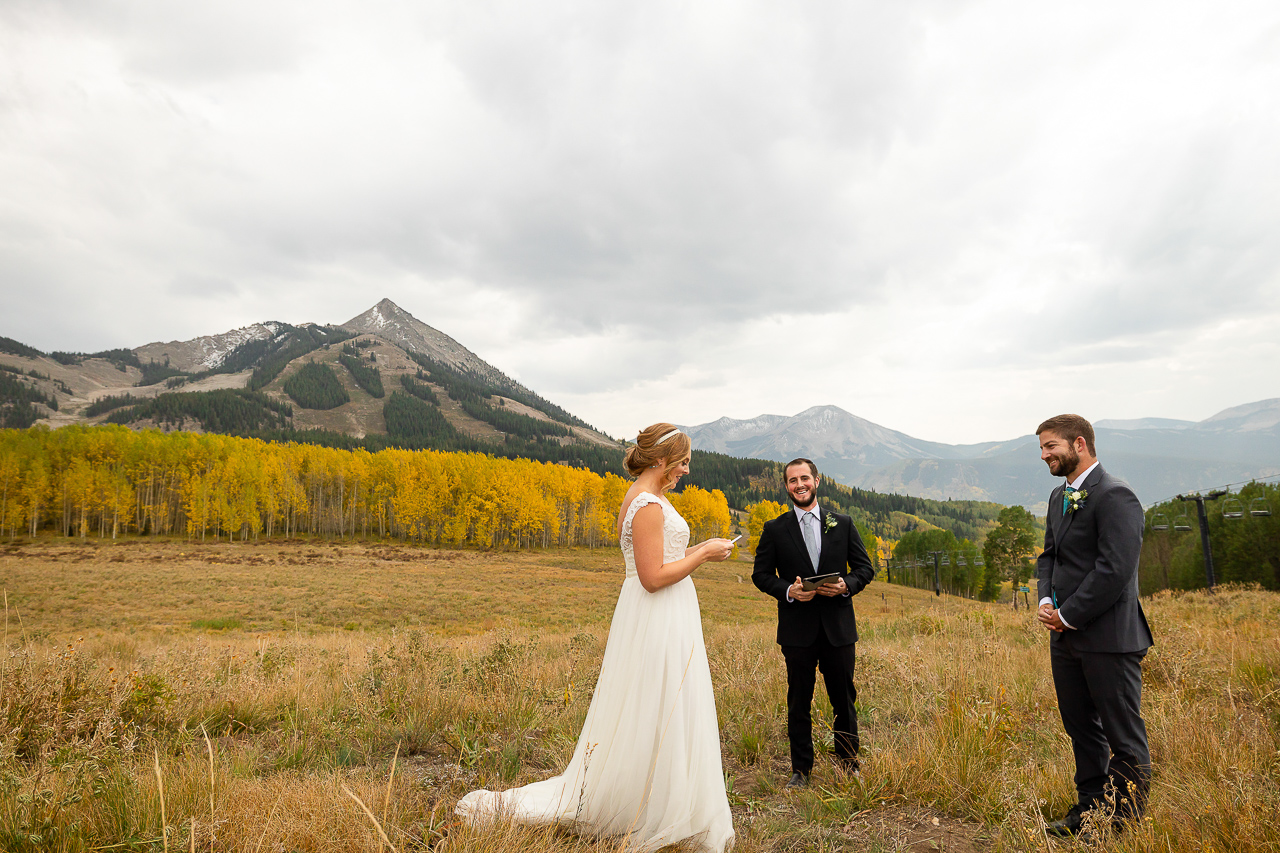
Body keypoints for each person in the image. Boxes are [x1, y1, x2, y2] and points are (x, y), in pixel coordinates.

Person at [455, 423, 737, 852]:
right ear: (660, 462)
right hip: (656, 614)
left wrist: (695, 550)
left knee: (663, 704)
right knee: (654, 702)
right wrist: (703, 551)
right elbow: (652, 577)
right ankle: (646, 806)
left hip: (668, 615)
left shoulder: (651, 499)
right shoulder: (645, 504)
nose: (686, 470)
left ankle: (664, 796)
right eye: (682, 462)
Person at [1035, 414, 1153, 837]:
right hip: (1064, 638)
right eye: (1043, 448)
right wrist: (1047, 600)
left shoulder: (1116, 496)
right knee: (1081, 728)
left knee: (1123, 735)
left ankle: (1123, 823)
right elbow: (1049, 555)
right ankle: (1088, 812)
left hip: (1108, 639)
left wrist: (1067, 616)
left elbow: (1114, 571)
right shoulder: (1057, 496)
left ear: (1079, 443)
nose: (1045, 455)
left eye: (1051, 447)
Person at [751, 458, 875, 789]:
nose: (799, 484)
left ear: (817, 481)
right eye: (792, 480)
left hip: (838, 629)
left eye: (804, 478)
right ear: (787, 487)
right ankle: (801, 770)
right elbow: (760, 575)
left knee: (844, 700)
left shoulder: (843, 523)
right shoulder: (775, 529)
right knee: (798, 700)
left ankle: (849, 764)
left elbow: (865, 568)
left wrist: (846, 585)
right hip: (797, 632)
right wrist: (788, 590)